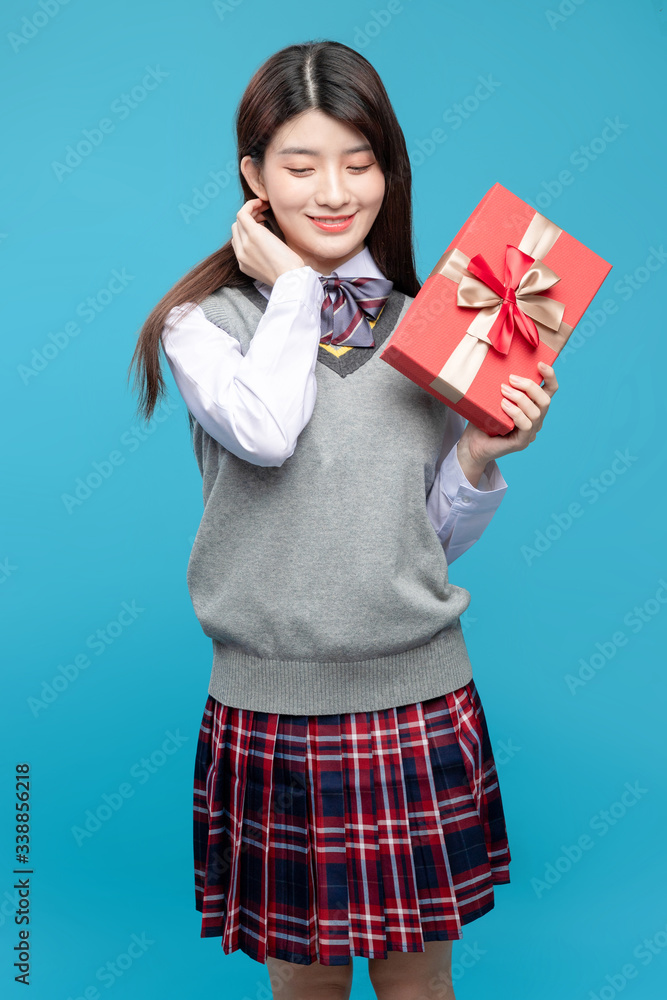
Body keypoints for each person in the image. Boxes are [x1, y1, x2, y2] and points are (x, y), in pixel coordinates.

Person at [128, 40, 558, 1000]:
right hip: (275, 711)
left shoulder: (437, 327)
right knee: (308, 991)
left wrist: (480, 461)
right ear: (253, 178)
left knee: (419, 987)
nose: (332, 190)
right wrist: (291, 288)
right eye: (300, 164)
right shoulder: (203, 327)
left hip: (418, 700)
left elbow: (420, 543)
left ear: (387, 171)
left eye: (358, 163)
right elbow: (268, 433)